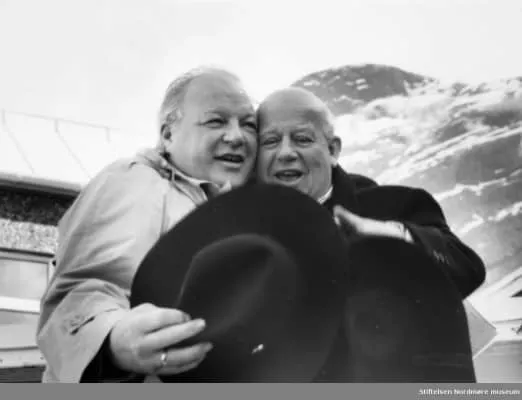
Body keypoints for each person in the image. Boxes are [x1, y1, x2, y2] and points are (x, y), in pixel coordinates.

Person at [36, 67, 258, 383]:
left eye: (248, 124)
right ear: (168, 135)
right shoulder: (138, 181)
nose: (237, 136)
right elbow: (86, 290)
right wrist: (114, 338)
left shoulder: (223, 209)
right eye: (216, 121)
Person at [256, 87, 487, 382]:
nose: (286, 153)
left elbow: (467, 267)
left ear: (333, 150)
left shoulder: (394, 205)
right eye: (270, 141)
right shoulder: (240, 223)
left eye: (302, 139)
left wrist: (391, 239)